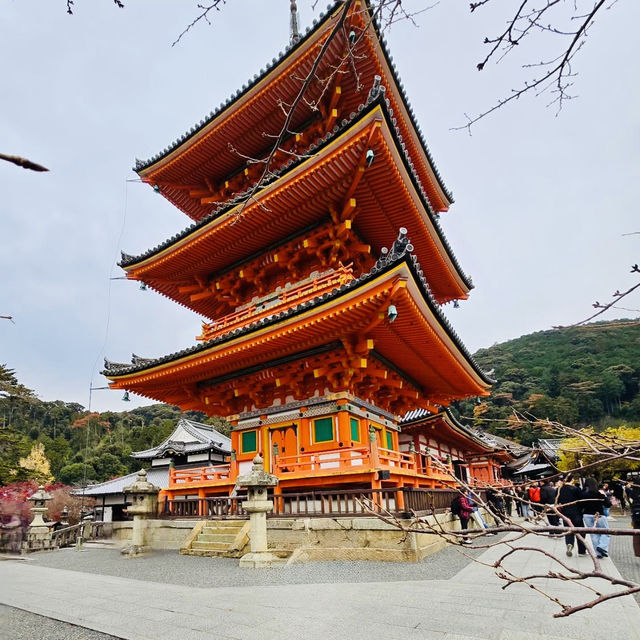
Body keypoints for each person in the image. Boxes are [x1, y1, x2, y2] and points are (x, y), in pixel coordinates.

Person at [582, 476, 611, 559]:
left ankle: (598, 553)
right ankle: (602, 546)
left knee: (594, 534)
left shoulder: (584, 494)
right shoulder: (599, 494)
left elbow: (581, 505)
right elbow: (608, 504)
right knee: (606, 532)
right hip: (599, 515)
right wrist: (604, 496)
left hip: (587, 515)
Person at [558, 476, 585, 557]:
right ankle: (581, 551)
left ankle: (569, 544)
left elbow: (557, 501)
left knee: (569, 531)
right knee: (580, 531)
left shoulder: (559, 489)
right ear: (572, 480)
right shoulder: (576, 489)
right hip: (576, 513)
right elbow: (581, 501)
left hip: (565, 513)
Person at [629, 482, 640, 558]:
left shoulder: (634, 492)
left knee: (636, 534)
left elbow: (631, 500)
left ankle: (638, 552)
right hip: (636, 514)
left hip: (636, 514)